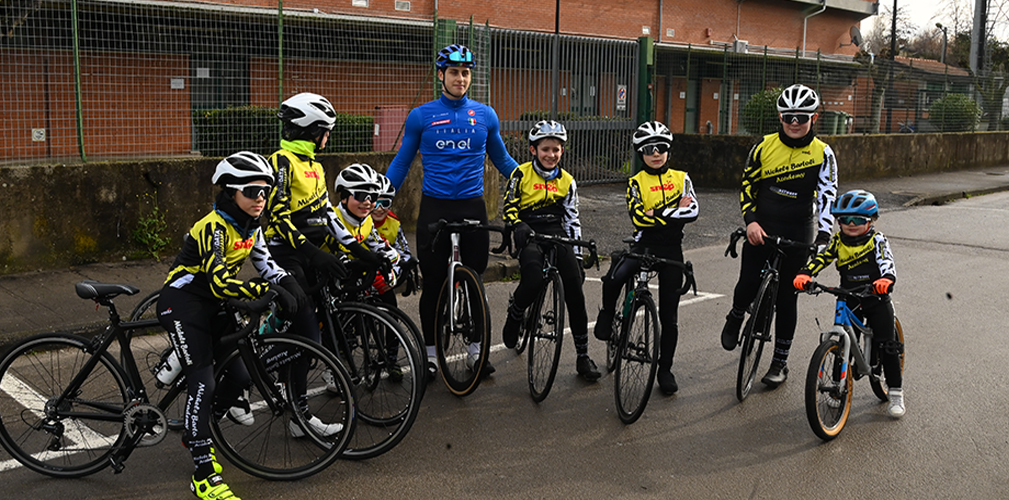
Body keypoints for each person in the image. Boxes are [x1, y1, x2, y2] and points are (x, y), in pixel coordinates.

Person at [156, 152, 305, 500]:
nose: (260, 199)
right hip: (185, 300)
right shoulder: (215, 227)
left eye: (265, 191)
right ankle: (203, 472)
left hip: (213, 302)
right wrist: (264, 290)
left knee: (240, 376)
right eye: (252, 191)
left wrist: (287, 281)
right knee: (204, 382)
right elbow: (220, 280)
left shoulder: (251, 225)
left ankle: (197, 430)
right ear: (230, 193)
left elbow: (265, 262)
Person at [385, 44, 519, 380]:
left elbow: (502, 160)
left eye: (466, 72)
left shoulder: (485, 115)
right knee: (432, 284)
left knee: (475, 282)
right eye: (454, 72)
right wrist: (382, 195)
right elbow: (402, 160)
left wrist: (531, 182)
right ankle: (431, 355)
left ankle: (476, 352)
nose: (461, 78)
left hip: (472, 205)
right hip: (435, 207)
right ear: (441, 75)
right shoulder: (421, 115)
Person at [719, 83, 838, 388]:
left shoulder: (823, 153)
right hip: (763, 228)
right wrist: (751, 222)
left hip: (799, 230)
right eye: (788, 117)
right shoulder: (763, 146)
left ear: (815, 117)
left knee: (787, 299)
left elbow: (827, 197)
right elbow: (747, 187)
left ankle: (779, 363)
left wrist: (823, 237)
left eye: (801, 116)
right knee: (746, 284)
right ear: (780, 117)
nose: (794, 122)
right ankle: (735, 316)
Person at [594, 121, 698, 395]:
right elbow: (638, 217)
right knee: (615, 276)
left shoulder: (682, 177)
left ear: (668, 151)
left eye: (661, 148)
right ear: (641, 153)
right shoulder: (635, 182)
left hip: (672, 250)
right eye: (649, 149)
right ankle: (606, 315)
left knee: (670, 316)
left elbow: (693, 212)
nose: (656, 153)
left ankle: (665, 369)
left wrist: (657, 214)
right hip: (645, 246)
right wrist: (673, 209)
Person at [501, 120, 601, 382]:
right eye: (546, 149)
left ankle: (582, 356)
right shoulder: (520, 174)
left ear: (562, 152)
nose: (551, 155)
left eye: (556, 150)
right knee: (533, 278)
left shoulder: (567, 180)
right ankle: (516, 313)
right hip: (530, 232)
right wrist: (517, 223)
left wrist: (577, 258)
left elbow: (572, 219)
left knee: (575, 293)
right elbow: (509, 206)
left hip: (556, 232)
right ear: (533, 150)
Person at [793, 189, 903, 417]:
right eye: (844, 220)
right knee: (842, 343)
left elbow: (887, 262)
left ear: (871, 220)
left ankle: (895, 391)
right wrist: (805, 273)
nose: (851, 224)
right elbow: (821, 258)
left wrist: (886, 279)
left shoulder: (877, 240)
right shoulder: (838, 242)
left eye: (857, 220)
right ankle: (836, 388)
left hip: (876, 297)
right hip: (848, 296)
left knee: (888, 345)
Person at [372, 174, 420, 300]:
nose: (379, 209)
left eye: (385, 203)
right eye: (375, 203)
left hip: (385, 279)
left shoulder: (394, 223)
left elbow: (404, 254)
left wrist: (392, 274)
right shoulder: (360, 221)